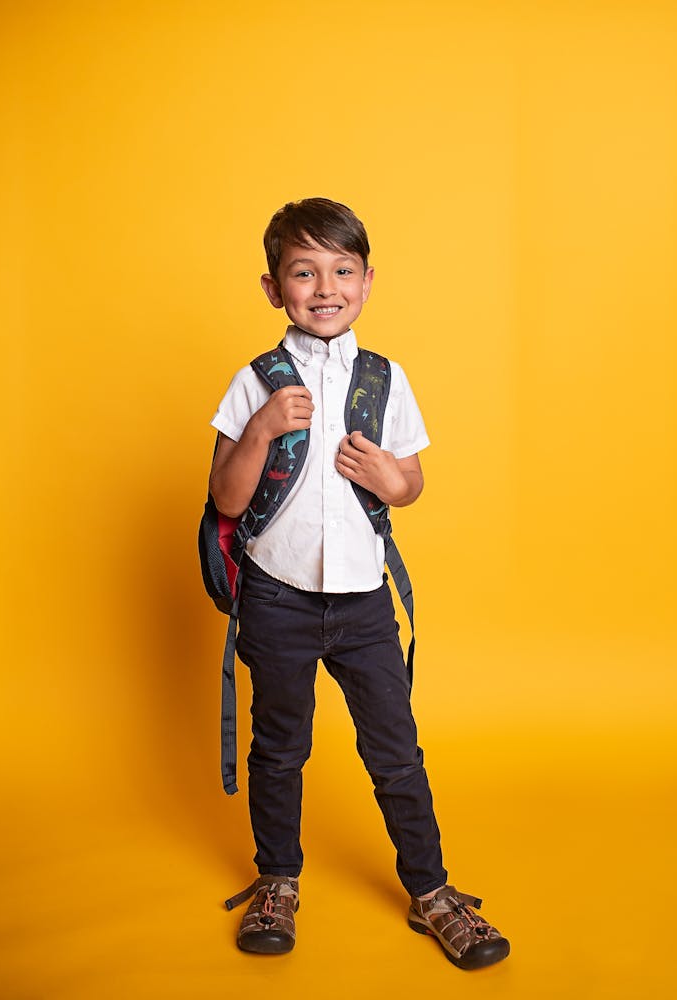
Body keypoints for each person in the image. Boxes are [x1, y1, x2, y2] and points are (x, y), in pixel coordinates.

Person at [208, 198, 510, 969]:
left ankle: (433, 892)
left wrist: (392, 478)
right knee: (280, 748)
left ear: (368, 282)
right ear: (274, 288)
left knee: (396, 751)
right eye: (303, 272)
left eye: (342, 270)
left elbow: (409, 482)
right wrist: (261, 430)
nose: (325, 286)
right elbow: (227, 500)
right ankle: (278, 879)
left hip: (364, 603)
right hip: (276, 601)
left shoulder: (385, 377)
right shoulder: (256, 383)